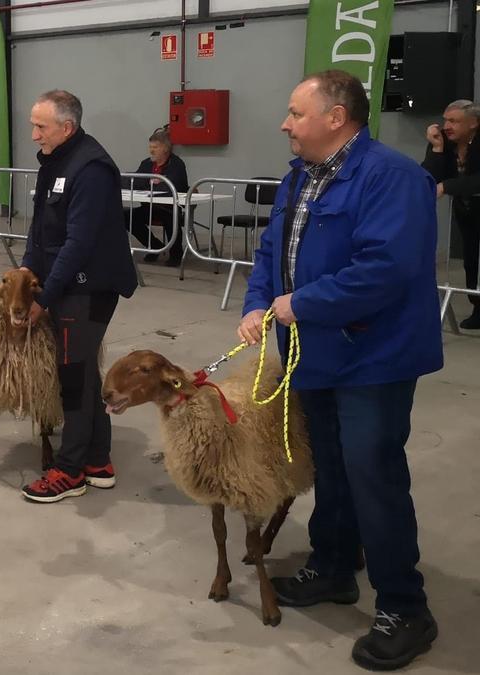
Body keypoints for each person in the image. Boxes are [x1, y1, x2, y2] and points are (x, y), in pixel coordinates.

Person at [239, 70, 442, 671]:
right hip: (315, 353)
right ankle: (332, 567)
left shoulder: (392, 178)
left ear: (336, 117)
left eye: (295, 114)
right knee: (329, 465)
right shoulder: (299, 177)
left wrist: (301, 304)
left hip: (372, 358)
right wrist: (257, 302)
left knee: (373, 475)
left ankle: (405, 608)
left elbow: (386, 268)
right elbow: (272, 251)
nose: (285, 124)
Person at [16, 90, 138, 503]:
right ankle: (98, 461)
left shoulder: (92, 169)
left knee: (74, 379)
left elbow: (78, 243)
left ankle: (69, 472)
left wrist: (43, 299)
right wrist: (27, 270)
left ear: (66, 127)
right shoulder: (54, 161)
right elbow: (41, 228)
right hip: (64, 284)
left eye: (40, 126)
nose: (34, 135)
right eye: (33, 125)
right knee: (84, 375)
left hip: (87, 288)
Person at [422, 99, 480, 329]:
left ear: (474, 123)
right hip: (467, 210)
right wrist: (436, 149)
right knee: (471, 259)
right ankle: (477, 307)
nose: (446, 126)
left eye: (454, 121)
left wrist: (448, 187)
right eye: (445, 120)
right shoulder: (443, 141)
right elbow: (427, 178)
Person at [124, 127, 189, 265]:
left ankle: (176, 254)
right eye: (150, 147)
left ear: (165, 148)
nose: (151, 150)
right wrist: (152, 182)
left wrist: (150, 183)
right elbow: (136, 182)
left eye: (155, 147)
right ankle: (154, 246)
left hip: (169, 207)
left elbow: (174, 185)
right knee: (127, 216)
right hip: (149, 207)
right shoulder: (146, 163)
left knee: (171, 217)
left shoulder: (176, 164)